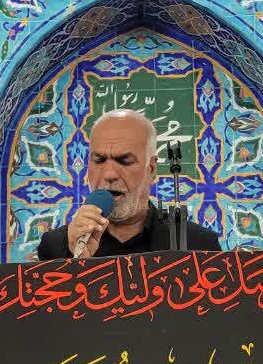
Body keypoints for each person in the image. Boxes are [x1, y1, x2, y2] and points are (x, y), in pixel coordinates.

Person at [37, 109, 221, 259]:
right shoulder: (56, 248)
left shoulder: (198, 246)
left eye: (124, 161)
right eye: (99, 160)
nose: (109, 175)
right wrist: (75, 258)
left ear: (151, 169)